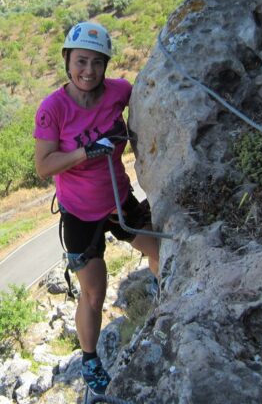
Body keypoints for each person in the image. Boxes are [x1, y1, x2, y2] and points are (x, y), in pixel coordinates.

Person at [33, 21, 160, 395]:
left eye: (96, 63)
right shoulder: (53, 109)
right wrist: (86, 152)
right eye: (81, 61)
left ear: (106, 66)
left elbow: (147, 100)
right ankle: (90, 360)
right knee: (94, 293)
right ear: (67, 61)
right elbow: (44, 165)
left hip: (118, 201)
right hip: (78, 214)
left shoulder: (118, 92)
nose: (88, 71)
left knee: (162, 253)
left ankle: (162, 294)